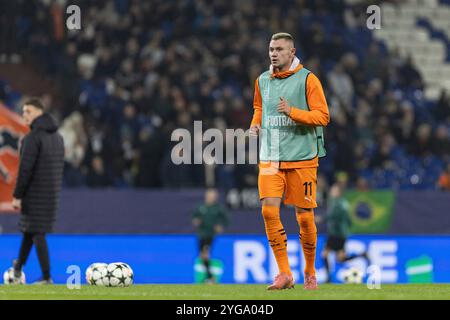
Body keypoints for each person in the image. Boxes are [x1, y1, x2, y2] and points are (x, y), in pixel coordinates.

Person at [249, 33, 330, 290]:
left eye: (279, 49)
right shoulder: (262, 80)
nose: (274, 53)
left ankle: (309, 270)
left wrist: (292, 112)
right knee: (268, 210)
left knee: (305, 218)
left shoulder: (308, 79)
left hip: (302, 158)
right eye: (271, 48)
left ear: (292, 52)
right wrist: (255, 124)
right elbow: (259, 108)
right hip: (271, 156)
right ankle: (284, 273)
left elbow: (323, 116)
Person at [11, 98, 65, 284]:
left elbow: (25, 170)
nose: (24, 115)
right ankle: (17, 270)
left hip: (34, 195)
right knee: (31, 231)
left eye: (28, 111)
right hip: (51, 195)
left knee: (37, 233)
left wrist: (18, 195)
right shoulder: (58, 138)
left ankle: (47, 277)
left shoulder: (32, 138)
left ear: (38, 112)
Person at [321, 174, 369, 283]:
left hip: (336, 233)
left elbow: (334, 216)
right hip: (342, 234)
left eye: (333, 190)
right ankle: (362, 255)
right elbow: (348, 220)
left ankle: (328, 278)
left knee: (324, 254)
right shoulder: (344, 203)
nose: (331, 191)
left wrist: (322, 219)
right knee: (341, 258)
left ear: (338, 192)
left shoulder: (337, 203)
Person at [192, 188, 229, 283]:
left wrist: (220, 225)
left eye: (213, 196)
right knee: (202, 256)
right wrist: (196, 221)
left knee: (205, 254)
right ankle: (209, 277)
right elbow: (194, 217)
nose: (211, 197)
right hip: (201, 234)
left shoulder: (217, 208)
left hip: (210, 234)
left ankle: (210, 277)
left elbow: (226, 219)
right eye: (210, 195)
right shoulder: (201, 207)